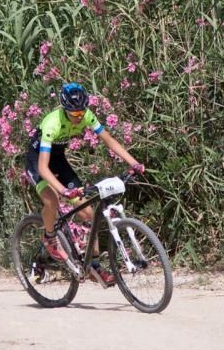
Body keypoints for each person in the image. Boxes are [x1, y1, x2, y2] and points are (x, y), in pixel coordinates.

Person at [24, 82, 144, 283]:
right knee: (52, 200)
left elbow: (109, 140)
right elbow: (44, 168)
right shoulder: (51, 123)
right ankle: (49, 236)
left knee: (88, 214)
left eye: (81, 112)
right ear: (64, 108)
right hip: (37, 160)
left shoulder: (86, 114)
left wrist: (134, 163)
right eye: (74, 113)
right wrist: (62, 190)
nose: (79, 116)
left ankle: (94, 266)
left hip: (59, 159)